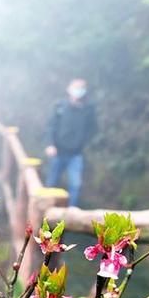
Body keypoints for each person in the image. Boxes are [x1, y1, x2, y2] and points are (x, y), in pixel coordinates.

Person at [44, 79, 97, 208]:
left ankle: (72, 212)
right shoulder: (59, 106)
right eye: (75, 88)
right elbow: (51, 126)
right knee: (52, 182)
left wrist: (82, 141)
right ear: (69, 89)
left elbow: (93, 128)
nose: (78, 91)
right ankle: (45, 209)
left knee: (75, 184)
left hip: (75, 153)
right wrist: (50, 144)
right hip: (58, 151)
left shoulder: (88, 110)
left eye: (81, 88)